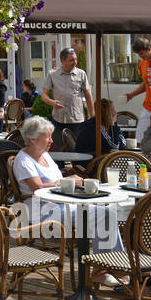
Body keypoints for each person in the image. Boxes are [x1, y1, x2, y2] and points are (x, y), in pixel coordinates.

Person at [12, 116, 122, 278]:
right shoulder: (24, 160)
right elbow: (37, 187)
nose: (51, 140)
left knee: (107, 212)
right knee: (104, 215)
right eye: (47, 136)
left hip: (62, 204)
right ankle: (106, 267)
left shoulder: (45, 155)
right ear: (33, 140)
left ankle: (110, 265)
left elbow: (57, 181)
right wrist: (66, 182)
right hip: (42, 211)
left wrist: (72, 184)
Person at [41, 48, 94, 133]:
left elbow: (88, 95)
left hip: (77, 120)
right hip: (58, 119)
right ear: (63, 60)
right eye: (72, 60)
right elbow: (43, 95)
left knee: (77, 146)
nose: (75, 62)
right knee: (59, 146)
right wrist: (52, 102)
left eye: (76, 59)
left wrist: (92, 115)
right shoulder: (52, 74)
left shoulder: (81, 74)